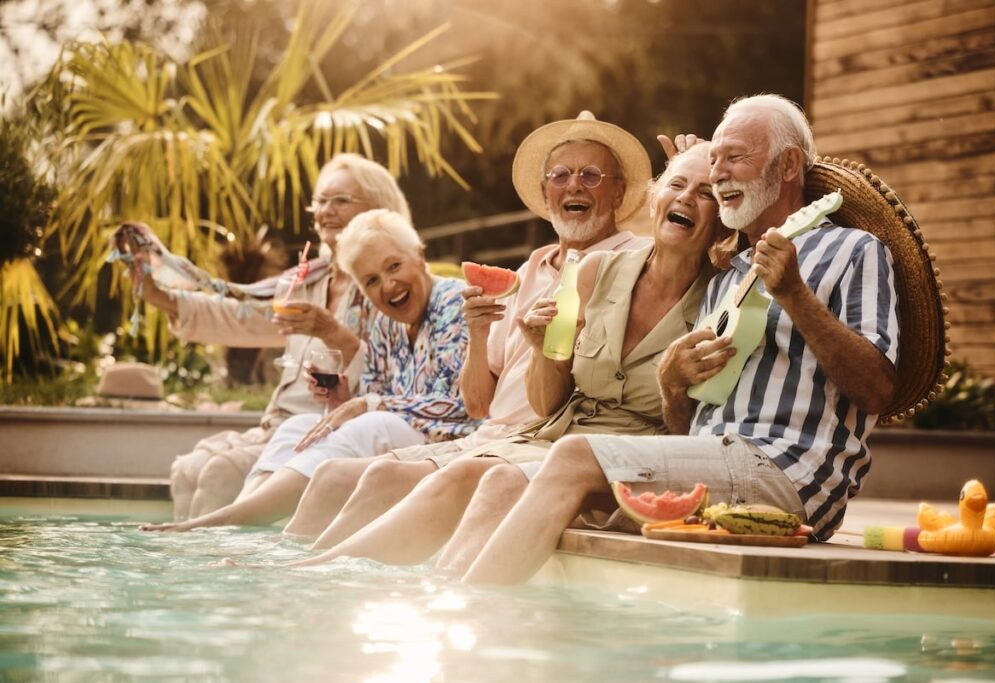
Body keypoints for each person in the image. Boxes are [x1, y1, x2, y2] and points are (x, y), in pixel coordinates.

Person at [456, 93, 907, 584]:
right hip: (711, 461)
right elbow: (687, 427)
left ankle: (477, 610)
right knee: (503, 480)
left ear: (789, 164)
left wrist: (795, 295)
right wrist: (672, 385)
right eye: (715, 162)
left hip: (787, 471)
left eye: (735, 157)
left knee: (573, 454)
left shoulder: (852, 249)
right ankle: (442, 607)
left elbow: (878, 390)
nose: (720, 173)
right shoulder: (727, 278)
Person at [287, 140, 730, 570]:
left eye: (706, 191)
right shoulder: (590, 272)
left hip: (621, 452)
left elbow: (700, 432)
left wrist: (672, 385)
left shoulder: (721, 295)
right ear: (655, 198)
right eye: (676, 185)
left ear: (621, 194)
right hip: (545, 431)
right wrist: (537, 349)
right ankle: (311, 568)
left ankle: (348, 578)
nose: (575, 185)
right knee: (386, 475)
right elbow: (546, 401)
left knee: (475, 477)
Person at [140, 209, 476, 532]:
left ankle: (229, 519)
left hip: (449, 438)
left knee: (374, 423)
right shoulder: (387, 322)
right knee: (298, 426)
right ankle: (238, 517)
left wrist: (369, 405)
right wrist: (343, 398)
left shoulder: (452, 302)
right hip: (399, 433)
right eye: (371, 280)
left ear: (419, 255)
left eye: (394, 266)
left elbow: (460, 405)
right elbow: (375, 391)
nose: (388, 285)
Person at [121, 154, 409, 520]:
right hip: (277, 426)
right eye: (320, 201)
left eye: (340, 201)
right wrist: (162, 297)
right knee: (187, 470)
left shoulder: (391, 286)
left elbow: (400, 372)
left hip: (333, 431)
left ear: (379, 208)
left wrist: (332, 332)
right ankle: (189, 570)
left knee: (219, 473)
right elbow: (240, 315)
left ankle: (213, 570)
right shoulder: (307, 281)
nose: (326, 211)